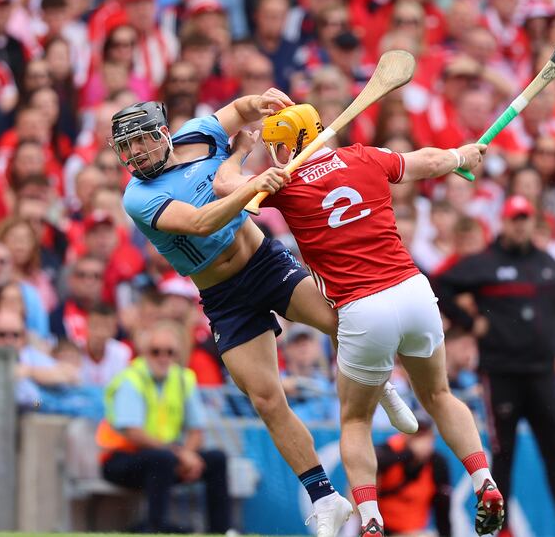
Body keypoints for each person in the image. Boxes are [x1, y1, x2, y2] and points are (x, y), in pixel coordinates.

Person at [112, 95, 414, 537]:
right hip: (222, 296)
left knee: (341, 321)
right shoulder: (138, 197)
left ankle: (380, 382)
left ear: (162, 134)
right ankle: (325, 497)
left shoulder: (197, 133)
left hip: (265, 263)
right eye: (127, 147)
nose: (135, 153)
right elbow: (200, 223)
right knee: (267, 399)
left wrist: (265, 103)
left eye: (141, 141)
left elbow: (240, 111)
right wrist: (249, 182)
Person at [217, 103, 503, 537]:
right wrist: (461, 156)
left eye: (277, 146)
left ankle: (370, 518)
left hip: (361, 308)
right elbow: (425, 161)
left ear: (292, 143)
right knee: (440, 394)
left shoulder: (282, 183)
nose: (275, 154)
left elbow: (223, 186)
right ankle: (484, 480)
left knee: (355, 421)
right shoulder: (362, 156)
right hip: (413, 292)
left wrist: (240, 152)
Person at [433, 195, 555, 537]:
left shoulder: (548, 264)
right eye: (514, 219)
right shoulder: (485, 261)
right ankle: (499, 530)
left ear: (531, 223)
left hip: (541, 373)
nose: (520, 225)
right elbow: (438, 282)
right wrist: (468, 322)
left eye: (525, 219)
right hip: (501, 372)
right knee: (502, 453)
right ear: (504, 222)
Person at [96, 320, 230, 533]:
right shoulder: (131, 379)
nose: (163, 357)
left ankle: (221, 531)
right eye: (156, 351)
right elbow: (133, 433)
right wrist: (179, 454)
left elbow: (197, 430)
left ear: (178, 355)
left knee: (216, 459)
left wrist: (187, 454)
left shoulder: (183, 379)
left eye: (169, 352)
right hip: (120, 459)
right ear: (144, 352)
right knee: (162, 459)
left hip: (165, 458)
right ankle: (156, 527)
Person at [375, 415, 452, 537]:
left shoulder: (437, 462)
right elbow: (376, 461)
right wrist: (411, 453)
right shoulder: (388, 451)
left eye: (424, 435)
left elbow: (442, 509)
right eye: (416, 434)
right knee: (363, 481)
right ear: (404, 435)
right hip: (381, 530)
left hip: (413, 531)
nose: (420, 440)